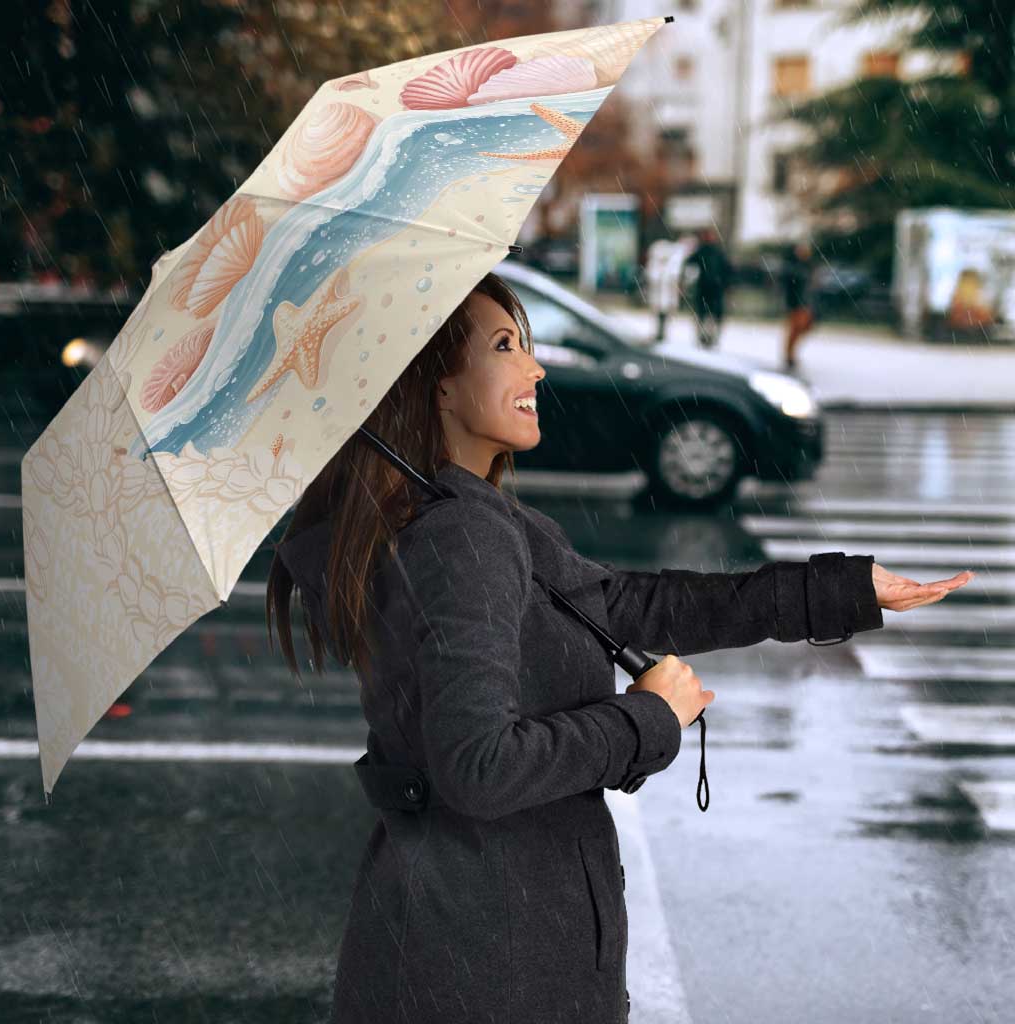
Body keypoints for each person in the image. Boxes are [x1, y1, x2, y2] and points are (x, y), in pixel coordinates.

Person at [267, 271, 972, 1024]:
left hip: (471, 943)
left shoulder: (472, 520)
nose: (535, 367)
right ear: (435, 386)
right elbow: (478, 768)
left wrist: (841, 590)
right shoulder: (460, 536)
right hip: (487, 962)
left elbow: (635, 605)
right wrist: (646, 719)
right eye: (505, 346)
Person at [683, 226, 733, 349]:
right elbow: (689, 264)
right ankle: (704, 337)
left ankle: (710, 337)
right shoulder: (703, 251)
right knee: (704, 314)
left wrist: (726, 284)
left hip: (714, 288)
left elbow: (727, 270)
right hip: (706, 288)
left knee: (711, 315)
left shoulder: (716, 252)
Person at [781, 239, 817, 370]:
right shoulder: (793, 267)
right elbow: (790, 286)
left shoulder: (808, 266)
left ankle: (790, 354)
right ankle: (789, 355)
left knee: (803, 328)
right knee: (795, 329)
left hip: (805, 303)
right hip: (796, 303)